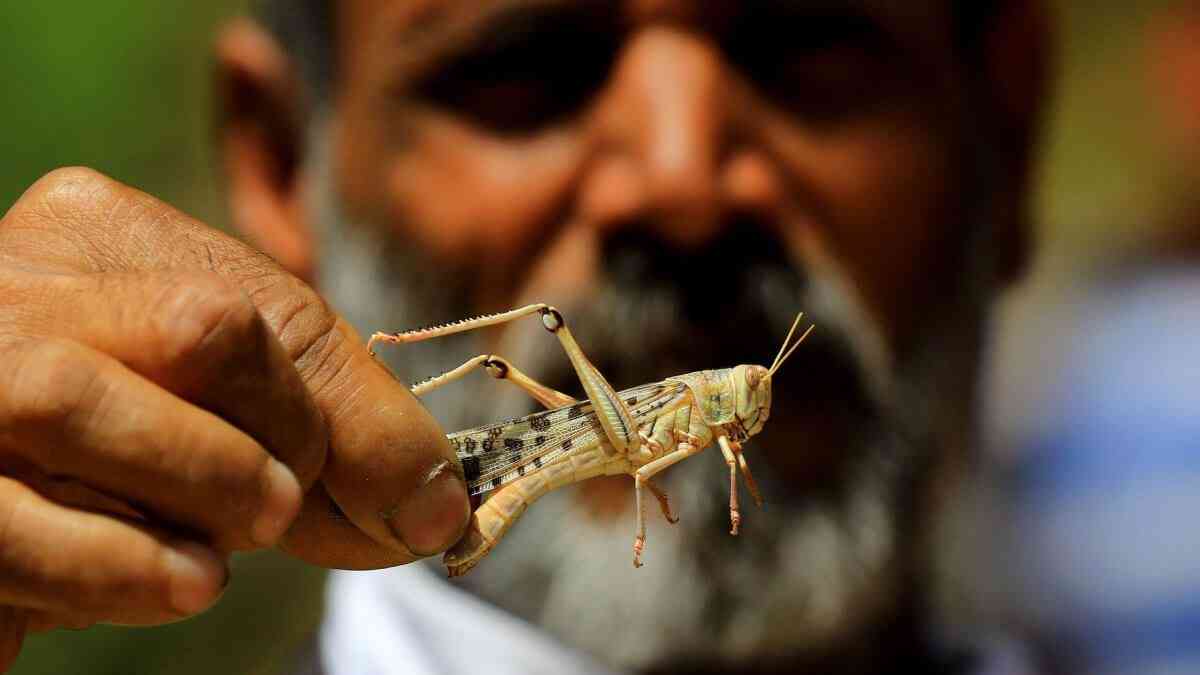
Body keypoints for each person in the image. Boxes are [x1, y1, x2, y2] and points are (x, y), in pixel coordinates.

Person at [0, 0, 1051, 672]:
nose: (683, 180)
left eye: (807, 41)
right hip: (559, 440)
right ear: (283, 164)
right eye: (525, 66)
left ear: (1006, 130)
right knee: (533, 344)